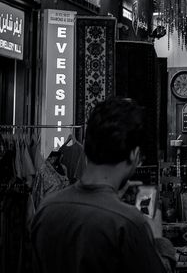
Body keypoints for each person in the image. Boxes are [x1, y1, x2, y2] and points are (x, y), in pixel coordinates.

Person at [31, 96, 167, 273]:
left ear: (86, 145)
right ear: (134, 154)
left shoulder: (47, 209)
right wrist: (157, 239)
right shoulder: (128, 223)